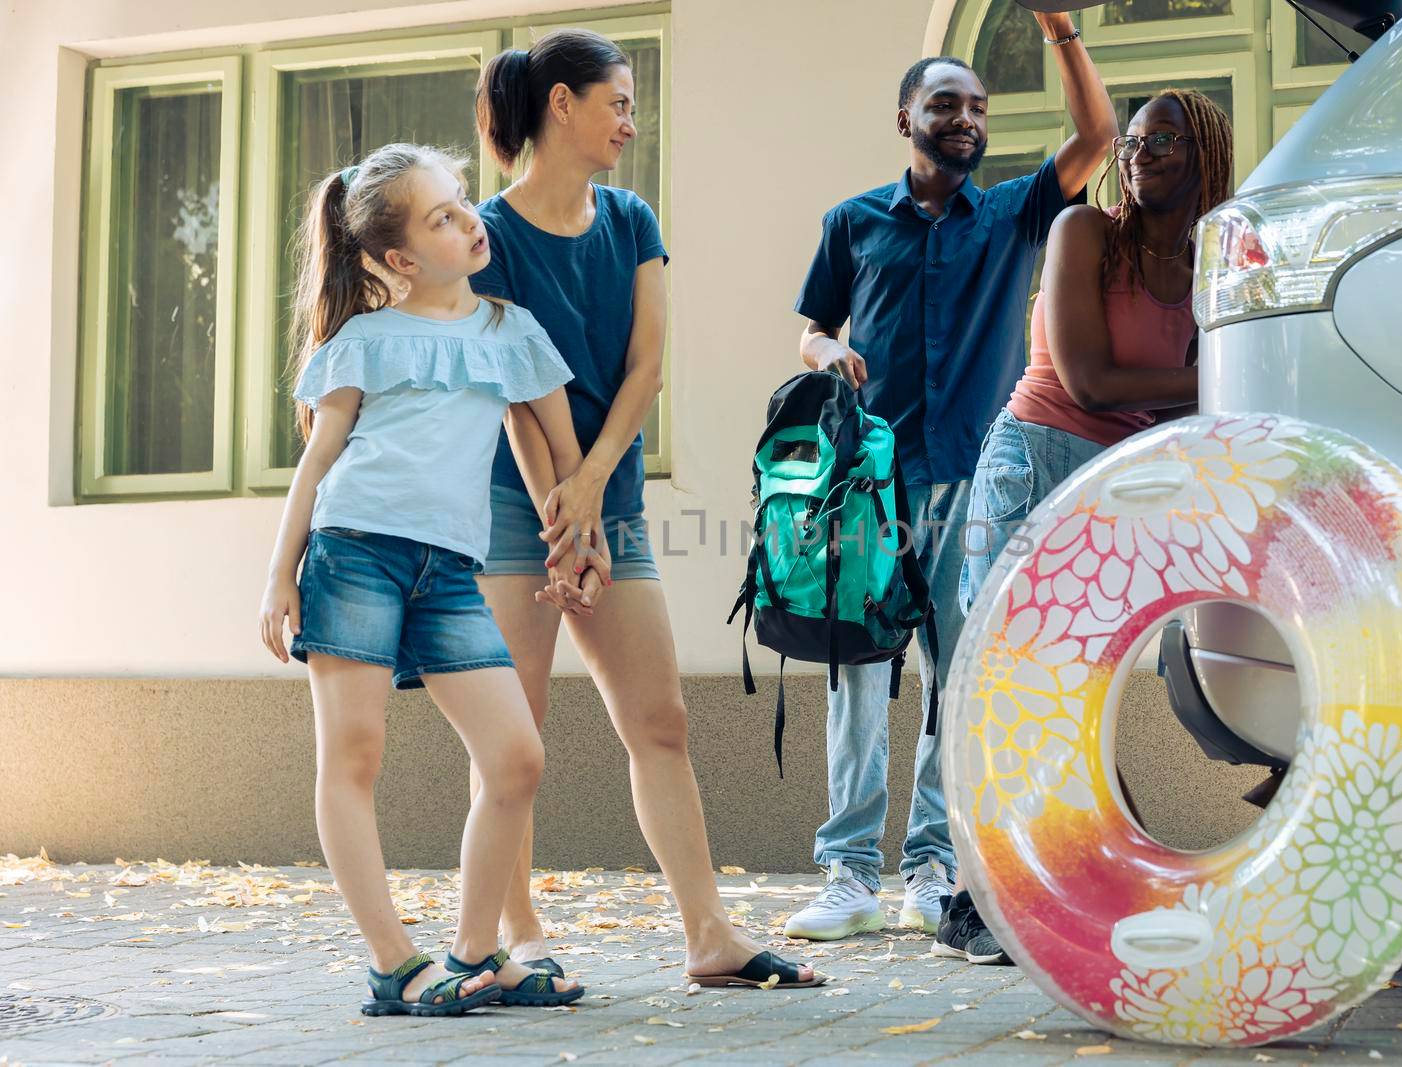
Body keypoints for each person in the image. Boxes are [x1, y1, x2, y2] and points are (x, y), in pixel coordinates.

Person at [468, 32, 822, 990]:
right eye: (616, 102)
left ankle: (708, 934)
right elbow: (511, 396)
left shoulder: (630, 219)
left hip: (606, 497)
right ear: (560, 106)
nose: (630, 120)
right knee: (519, 732)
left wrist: (592, 494)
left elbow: (647, 367)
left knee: (660, 718)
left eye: (632, 102)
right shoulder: (487, 238)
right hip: (518, 506)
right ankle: (520, 934)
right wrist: (560, 508)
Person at [787, 7, 1116, 948]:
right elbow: (810, 324)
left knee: (952, 681)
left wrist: (1061, 30)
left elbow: (1095, 137)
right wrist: (823, 351)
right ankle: (846, 871)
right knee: (856, 674)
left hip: (977, 480)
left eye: (977, 105)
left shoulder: (1014, 213)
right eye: (945, 103)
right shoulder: (852, 223)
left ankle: (928, 866)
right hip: (867, 483)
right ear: (906, 119)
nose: (966, 117)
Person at [257, 143, 584, 1014]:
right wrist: (279, 575)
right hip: (354, 548)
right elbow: (317, 458)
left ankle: (474, 951)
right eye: (442, 217)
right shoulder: (363, 338)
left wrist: (575, 546)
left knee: (516, 757)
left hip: (449, 571)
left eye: (462, 202)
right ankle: (394, 963)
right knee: (353, 757)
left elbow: (562, 455)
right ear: (400, 259)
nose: (469, 221)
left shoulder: (511, 331)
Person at [960, 88, 1234, 615]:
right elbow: (1091, 384)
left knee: (1081, 670)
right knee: (1005, 664)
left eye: (1160, 139)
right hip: (1036, 461)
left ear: (1206, 154)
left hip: (1119, 477)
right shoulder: (1085, 229)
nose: (1139, 154)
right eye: (1131, 142)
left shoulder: (1205, 269)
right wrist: (1229, 377)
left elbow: (1167, 409)